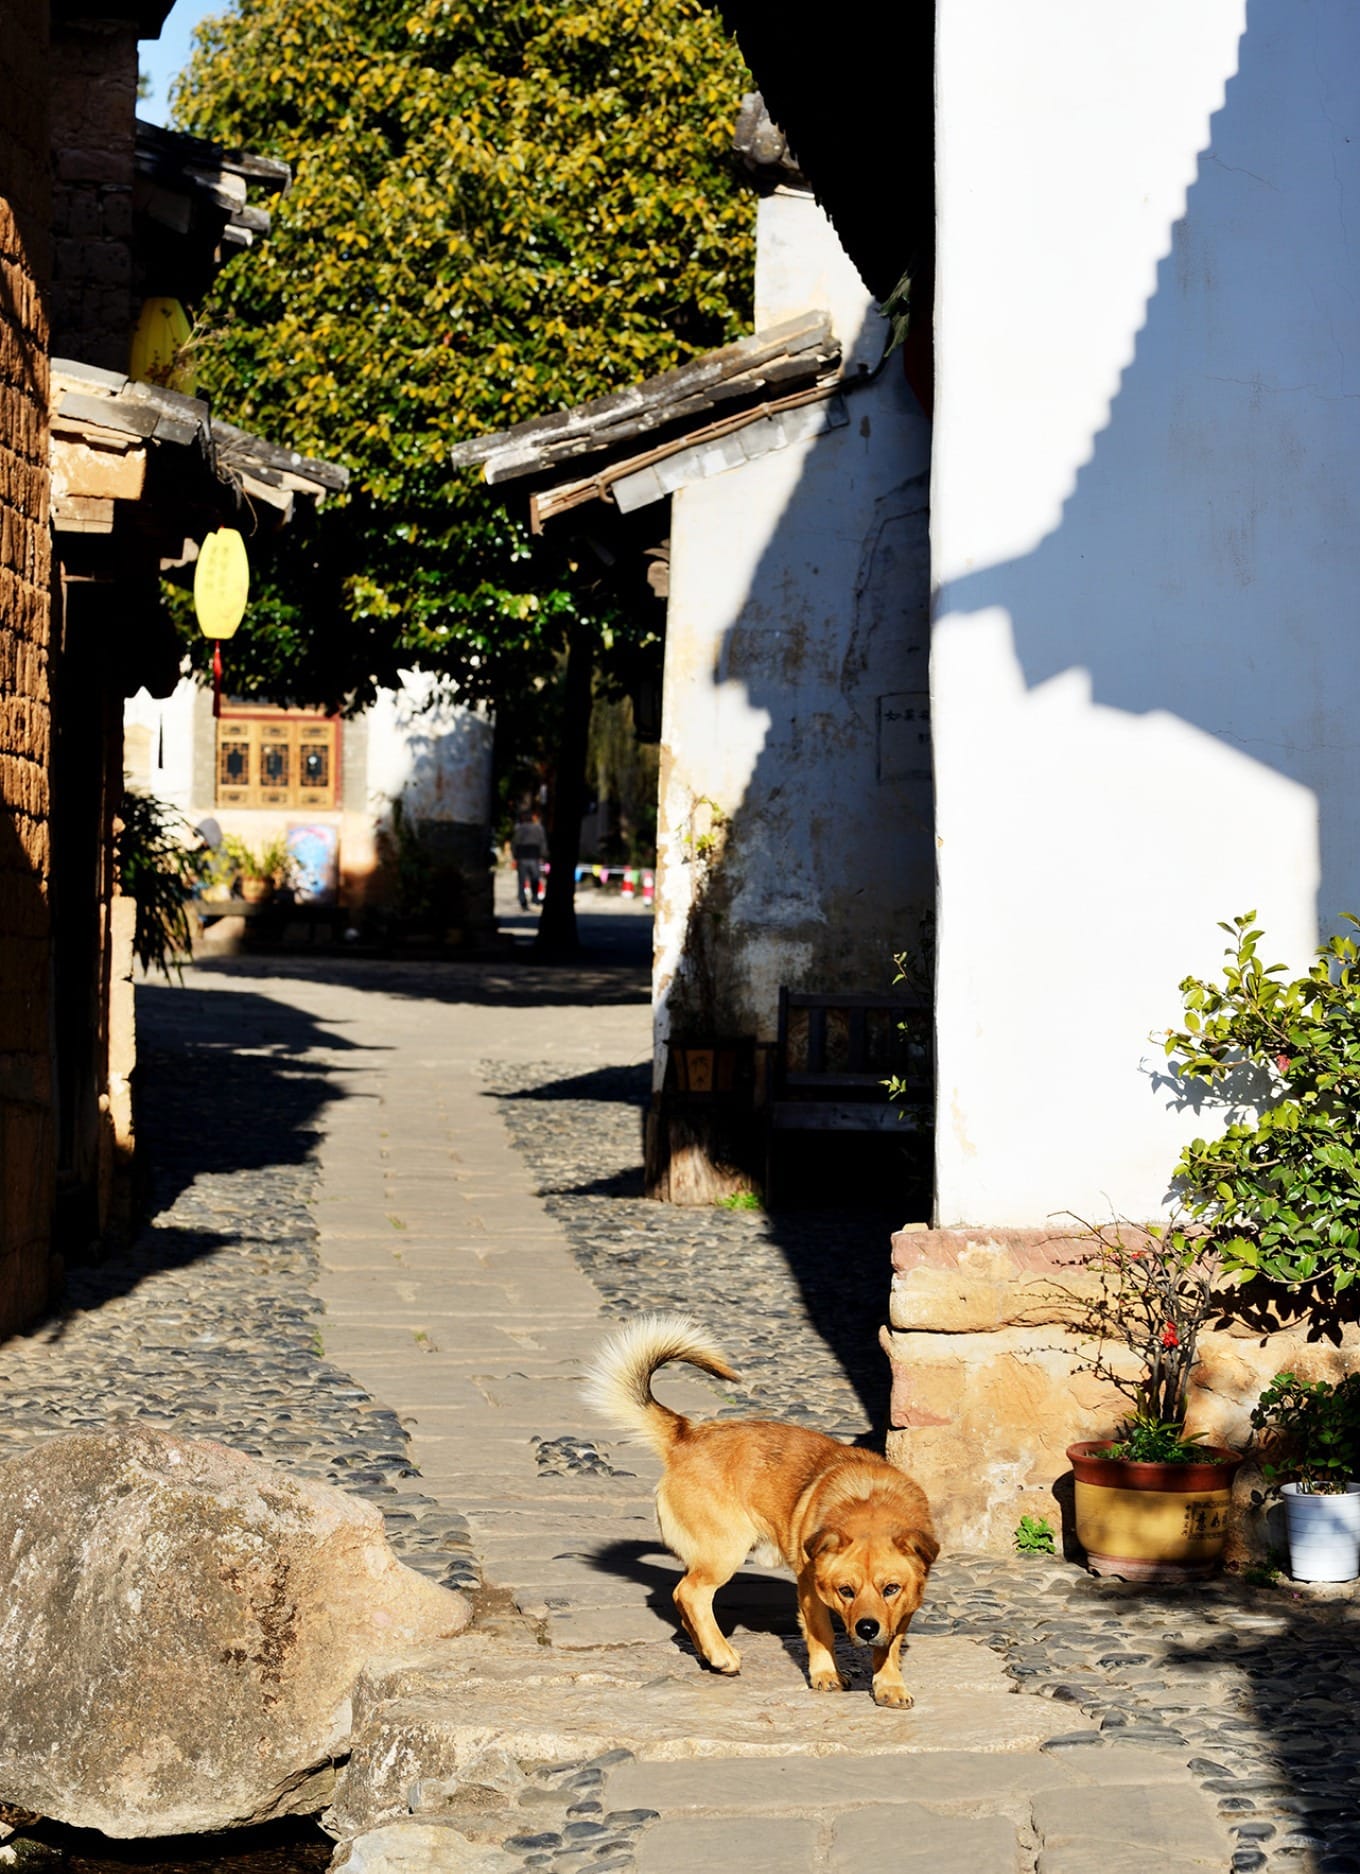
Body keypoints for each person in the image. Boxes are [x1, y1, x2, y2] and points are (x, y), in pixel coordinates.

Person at [511, 809, 547, 910]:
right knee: (535, 878)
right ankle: (535, 898)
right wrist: (543, 855)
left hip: (522, 857)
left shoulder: (519, 829)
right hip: (534, 857)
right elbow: (542, 843)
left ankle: (523, 901)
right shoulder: (538, 828)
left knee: (522, 881)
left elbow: (515, 844)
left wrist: (515, 856)